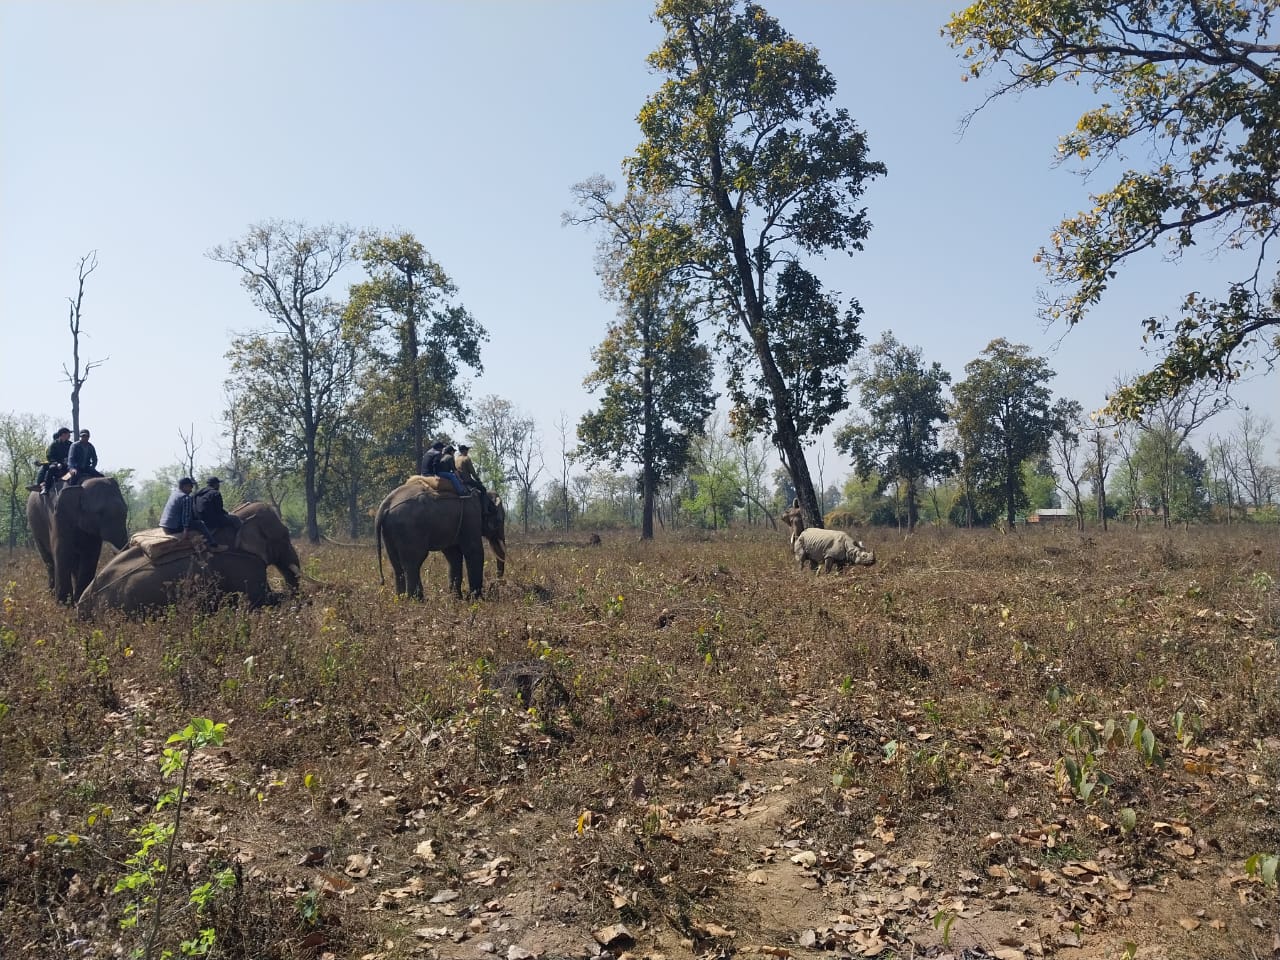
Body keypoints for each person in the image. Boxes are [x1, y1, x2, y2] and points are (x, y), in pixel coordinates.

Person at [159, 477, 219, 549]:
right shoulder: (185, 497)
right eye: (190, 486)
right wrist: (185, 530)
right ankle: (213, 545)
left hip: (165, 526)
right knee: (200, 523)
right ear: (185, 486)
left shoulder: (174, 494)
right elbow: (186, 515)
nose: (191, 490)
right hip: (173, 528)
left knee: (194, 522)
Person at [29, 427, 72, 493]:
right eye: (68, 434)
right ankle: (46, 488)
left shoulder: (70, 444)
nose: (69, 435)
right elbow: (50, 457)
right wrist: (56, 463)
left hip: (67, 465)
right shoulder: (54, 445)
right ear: (63, 434)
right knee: (51, 468)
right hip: (57, 465)